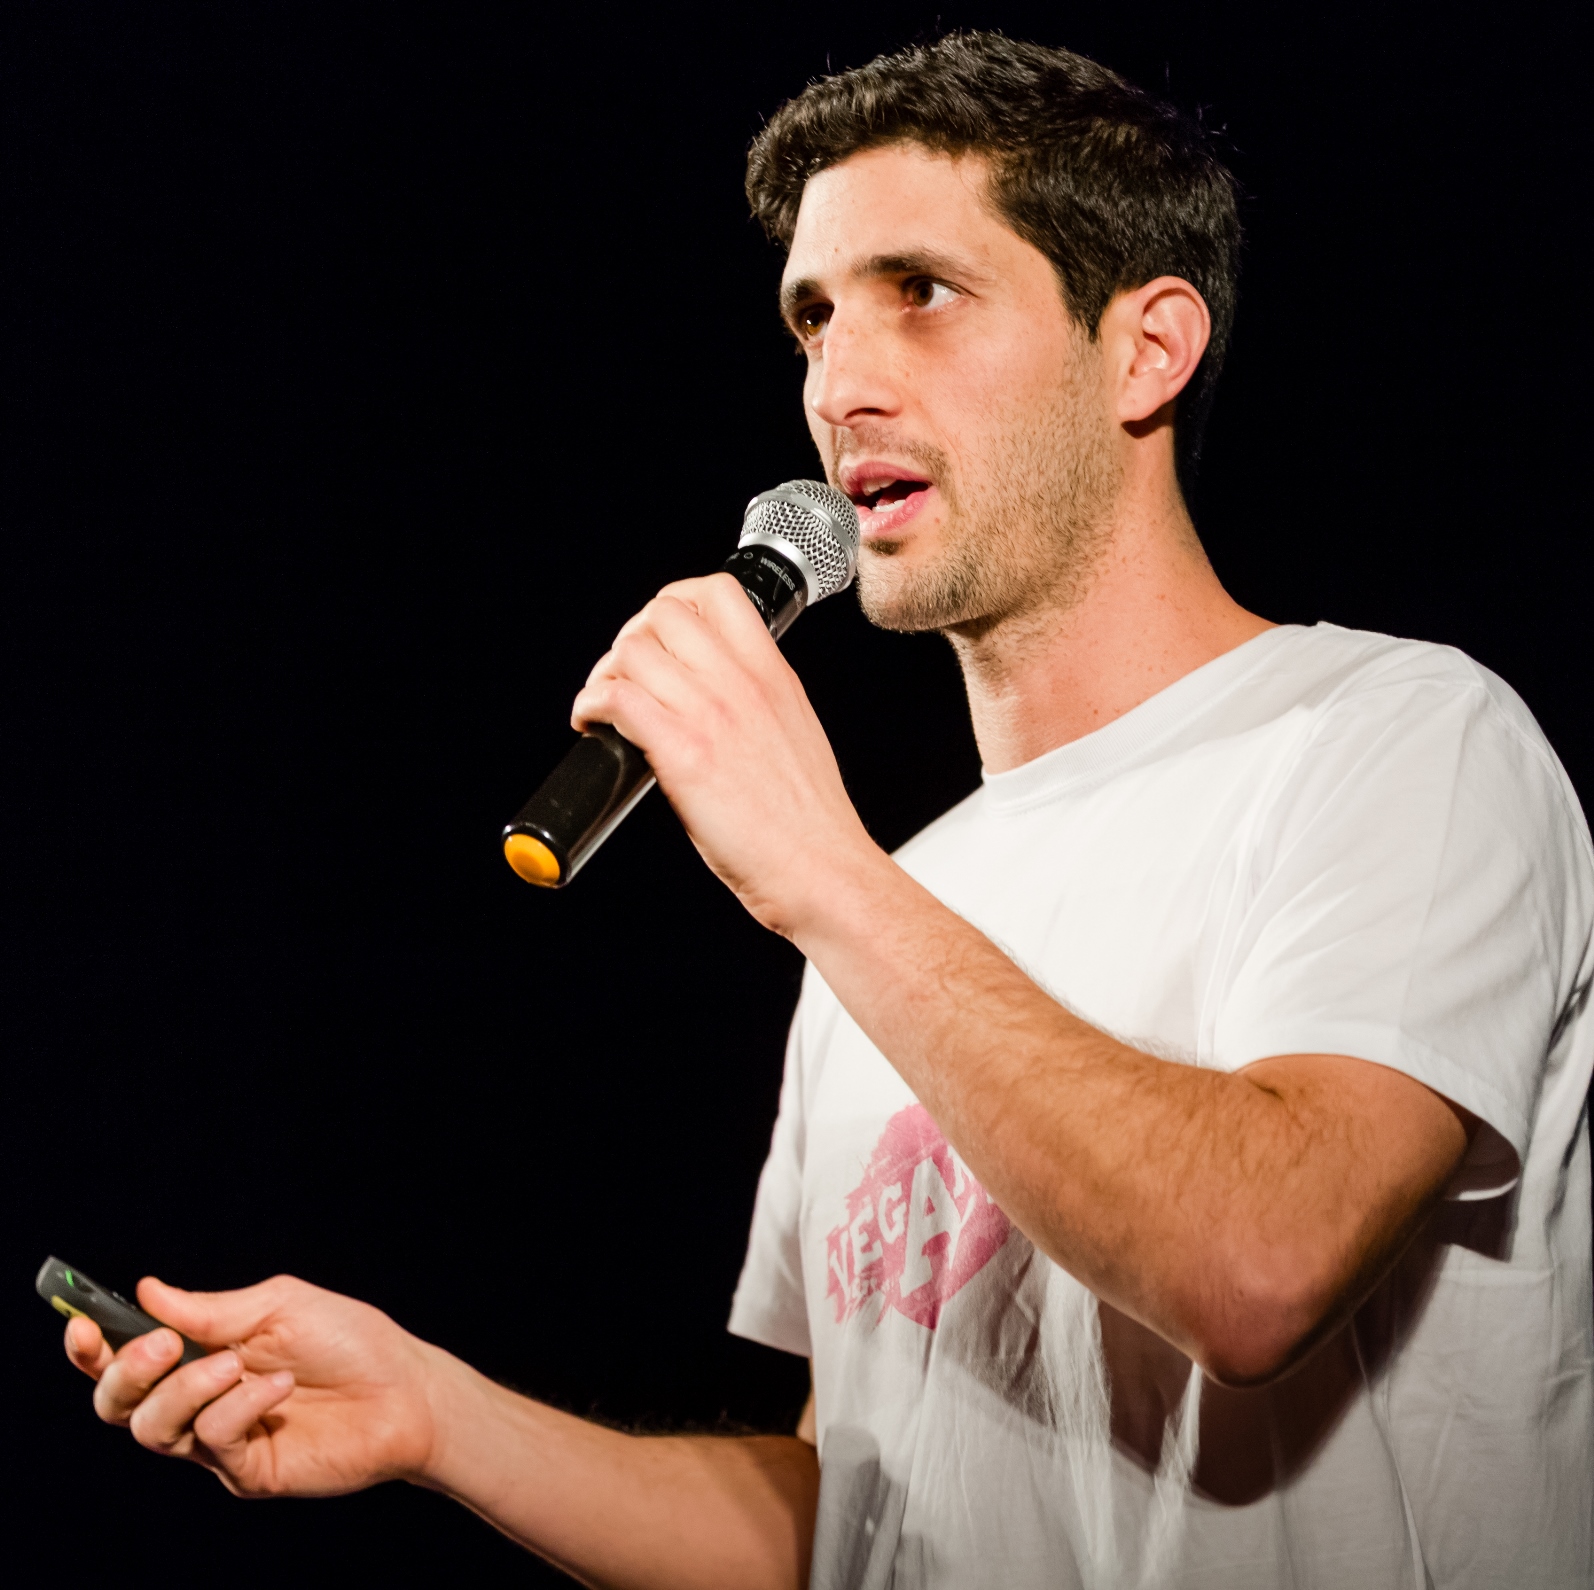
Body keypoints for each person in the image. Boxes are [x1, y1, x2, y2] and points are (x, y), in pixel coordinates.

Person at [64, 35, 1592, 1590]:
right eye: (811, 318)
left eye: (920, 293)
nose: (836, 386)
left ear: (1146, 350)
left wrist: (818, 873)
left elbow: (1260, 1265)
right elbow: (848, 1509)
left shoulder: (1396, 738)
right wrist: (437, 1416)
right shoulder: (889, 903)